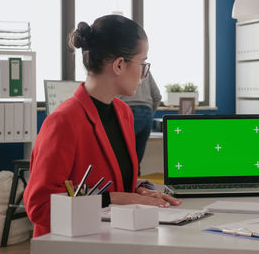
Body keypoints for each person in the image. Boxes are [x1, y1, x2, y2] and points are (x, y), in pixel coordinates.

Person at [24, 15, 182, 238]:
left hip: (112, 238)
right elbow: (39, 208)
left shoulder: (123, 113)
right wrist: (116, 198)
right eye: (143, 63)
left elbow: (109, 184)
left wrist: (139, 192)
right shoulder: (63, 121)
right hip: (73, 245)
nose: (144, 74)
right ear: (119, 65)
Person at [118, 73, 162, 176]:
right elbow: (157, 96)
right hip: (147, 115)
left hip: (127, 110)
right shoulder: (144, 70)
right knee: (135, 162)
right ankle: (135, 188)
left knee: (122, 161)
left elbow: (112, 95)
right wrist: (149, 114)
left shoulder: (120, 67)